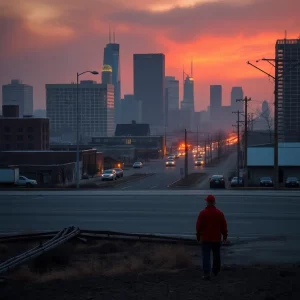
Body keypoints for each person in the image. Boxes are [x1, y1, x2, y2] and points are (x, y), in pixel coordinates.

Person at [196, 194, 228, 280]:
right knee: (216, 255)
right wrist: (224, 237)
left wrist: (198, 237)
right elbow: (224, 226)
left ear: (207, 202)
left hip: (206, 238)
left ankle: (207, 274)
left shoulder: (203, 213)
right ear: (214, 202)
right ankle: (216, 271)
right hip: (216, 238)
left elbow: (198, 227)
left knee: (206, 256)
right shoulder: (219, 213)